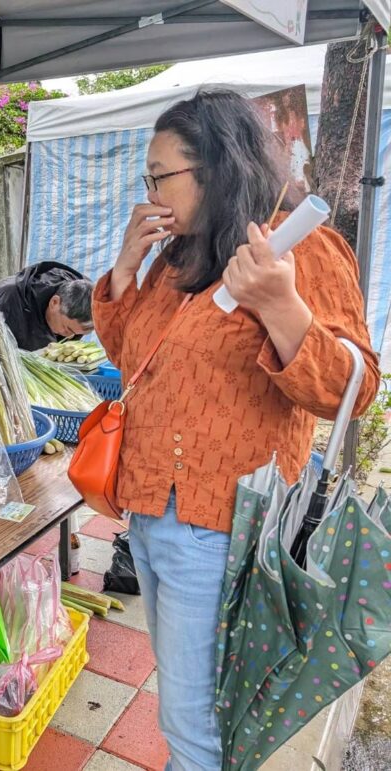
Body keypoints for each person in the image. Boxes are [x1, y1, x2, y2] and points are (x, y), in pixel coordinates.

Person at [93, 89, 380, 771]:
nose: (151, 192)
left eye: (160, 175)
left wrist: (280, 305)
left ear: (216, 168)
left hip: (224, 524)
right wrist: (127, 267)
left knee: (193, 722)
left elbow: (356, 387)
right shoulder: (178, 258)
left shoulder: (301, 246)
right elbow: (134, 360)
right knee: (192, 704)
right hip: (151, 510)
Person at [0, 261, 95, 350]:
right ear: (54, 303)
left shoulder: (85, 296)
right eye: (67, 329)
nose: (69, 337)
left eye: (76, 334)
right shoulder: (10, 301)